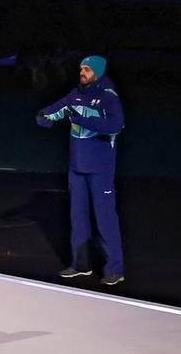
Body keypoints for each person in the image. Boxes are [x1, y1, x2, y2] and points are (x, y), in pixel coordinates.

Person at [36, 55, 125, 286]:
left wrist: (82, 119)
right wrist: (44, 116)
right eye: (81, 68)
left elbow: (116, 125)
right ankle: (80, 264)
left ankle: (114, 269)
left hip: (100, 168)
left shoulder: (107, 96)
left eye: (87, 69)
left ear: (97, 71)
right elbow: (58, 110)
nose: (82, 72)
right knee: (78, 217)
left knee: (105, 218)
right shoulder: (76, 93)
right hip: (77, 168)